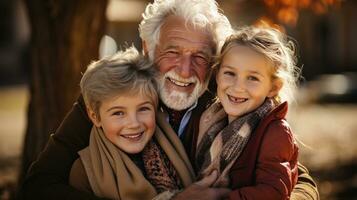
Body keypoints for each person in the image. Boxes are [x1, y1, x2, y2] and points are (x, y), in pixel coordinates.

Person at [21, 0, 319, 200]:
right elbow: (38, 185)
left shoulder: (229, 102)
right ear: (148, 48)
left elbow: (300, 182)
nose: (185, 70)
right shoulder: (111, 97)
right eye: (172, 52)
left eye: (200, 56)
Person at [68, 46, 195, 199]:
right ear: (95, 117)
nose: (134, 123)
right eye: (118, 113)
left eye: (143, 109)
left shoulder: (175, 148)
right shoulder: (84, 172)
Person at [195, 26, 299, 199]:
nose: (238, 87)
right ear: (217, 75)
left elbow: (274, 193)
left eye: (252, 78)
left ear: (273, 88)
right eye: (230, 73)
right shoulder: (209, 120)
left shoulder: (275, 132)